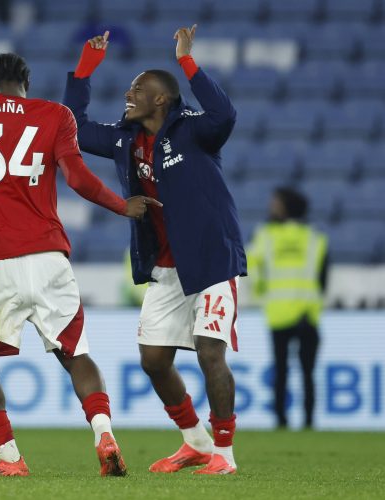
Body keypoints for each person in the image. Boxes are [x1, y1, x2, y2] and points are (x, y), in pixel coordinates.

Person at [0, 53, 153, 477]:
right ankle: (103, 434)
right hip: (48, 257)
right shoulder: (54, 114)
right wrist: (121, 205)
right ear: (27, 81)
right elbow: (77, 178)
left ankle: (9, 459)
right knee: (75, 352)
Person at [63, 26, 246, 475]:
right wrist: (84, 71)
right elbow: (74, 130)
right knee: (154, 360)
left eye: (138, 89)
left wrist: (187, 61)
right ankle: (195, 442)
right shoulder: (125, 138)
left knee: (209, 352)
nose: (128, 94)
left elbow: (225, 114)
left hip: (211, 260)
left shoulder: (196, 132)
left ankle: (224, 454)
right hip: (165, 266)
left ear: (162, 99)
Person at [247, 187, 328, 429]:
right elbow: (323, 277)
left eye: (276, 202)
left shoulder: (266, 235)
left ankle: (281, 420)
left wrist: (262, 292)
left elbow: (251, 266)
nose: (272, 205)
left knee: (281, 370)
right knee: (307, 373)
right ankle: (309, 422)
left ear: (286, 206)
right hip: (308, 313)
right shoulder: (314, 237)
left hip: (278, 312)